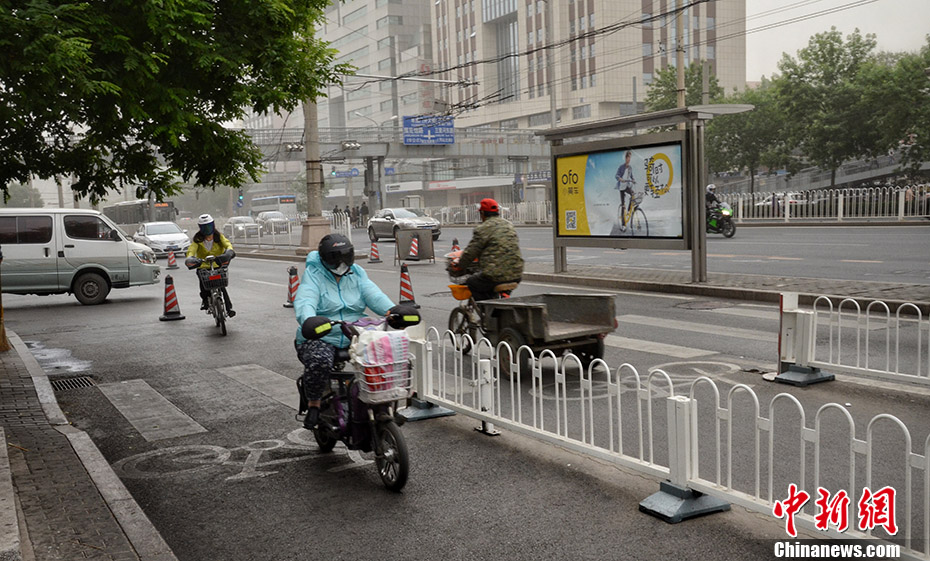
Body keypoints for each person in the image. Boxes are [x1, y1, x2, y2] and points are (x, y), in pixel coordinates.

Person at [293, 233, 405, 429]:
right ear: (324, 259)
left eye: (345, 258)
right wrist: (309, 320)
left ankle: (382, 402)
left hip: (354, 333)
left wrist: (392, 311)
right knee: (319, 360)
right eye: (335, 259)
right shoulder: (314, 275)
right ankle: (314, 404)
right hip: (322, 333)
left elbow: (373, 295)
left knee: (385, 353)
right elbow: (306, 299)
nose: (341, 264)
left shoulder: (357, 273)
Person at [454, 198, 524, 302]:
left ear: (482, 213)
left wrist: (460, 266)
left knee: (472, 282)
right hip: (517, 274)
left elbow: (471, 252)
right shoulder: (509, 225)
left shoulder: (482, 228)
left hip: (494, 276)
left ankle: (486, 313)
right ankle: (499, 311)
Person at [185, 214, 236, 316]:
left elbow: (227, 244)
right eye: (204, 227)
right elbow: (191, 250)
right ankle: (205, 300)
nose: (207, 229)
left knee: (221, 286)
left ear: (213, 225)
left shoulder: (219, 237)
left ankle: (229, 308)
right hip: (203, 267)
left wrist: (229, 252)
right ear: (200, 228)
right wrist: (190, 258)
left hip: (218, 266)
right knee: (204, 285)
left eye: (209, 226)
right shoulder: (197, 240)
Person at [615, 150, 636, 232]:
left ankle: (628, 210)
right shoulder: (621, 167)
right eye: (628, 157)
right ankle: (624, 225)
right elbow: (616, 175)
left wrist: (633, 179)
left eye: (630, 157)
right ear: (625, 158)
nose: (629, 159)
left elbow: (631, 176)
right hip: (621, 187)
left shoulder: (630, 168)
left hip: (627, 186)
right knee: (623, 205)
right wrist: (620, 179)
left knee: (633, 195)